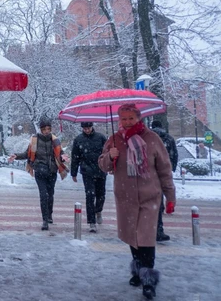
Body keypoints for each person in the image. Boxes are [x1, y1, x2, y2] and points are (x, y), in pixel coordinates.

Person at [98, 104, 175, 300]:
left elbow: (165, 169)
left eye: (131, 118)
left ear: (139, 117)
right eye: (123, 118)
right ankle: (138, 270)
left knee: (146, 237)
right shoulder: (115, 139)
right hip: (125, 197)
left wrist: (170, 196)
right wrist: (110, 156)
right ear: (119, 120)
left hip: (150, 196)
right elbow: (103, 165)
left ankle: (148, 280)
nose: (127, 122)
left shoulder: (152, 139)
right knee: (132, 236)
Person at [8, 118, 68, 231]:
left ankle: (49, 214)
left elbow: (60, 154)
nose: (46, 131)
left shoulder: (55, 140)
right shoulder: (34, 140)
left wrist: (63, 158)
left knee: (50, 195)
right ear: (41, 130)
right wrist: (17, 155)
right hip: (40, 172)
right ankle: (44, 220)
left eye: (48, 129)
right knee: (43, 195)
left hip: (52, 172)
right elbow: (27, 153)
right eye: (44, 129)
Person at [70, 122, 108, 233]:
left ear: (92, 127)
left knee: (101, 194)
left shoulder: (101, 137)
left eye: (88, 128)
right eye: (85, 128)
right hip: (87, 171)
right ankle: (91, 222)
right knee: (90, 195)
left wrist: (110, 166)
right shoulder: (78, 139)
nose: (87, 130)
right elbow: (75, 157)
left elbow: (107, 153)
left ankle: (98, 210)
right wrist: (74, 173)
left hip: (101, 170)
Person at [151, 120, 178, 242]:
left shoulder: (148, 138)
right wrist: (171, 167)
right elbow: (174, 154)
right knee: (159, 198)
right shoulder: (168, 138)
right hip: (163, 172)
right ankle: (158, 230)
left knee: (153, 201)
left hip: (150, 174)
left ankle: (151, 229)